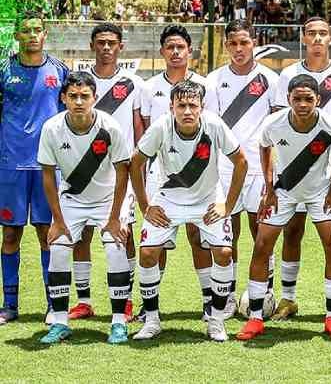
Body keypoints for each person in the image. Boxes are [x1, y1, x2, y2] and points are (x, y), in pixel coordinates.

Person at [130, 80, 248, 341]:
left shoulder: (214, 124)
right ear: (171, 107)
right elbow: (135, 162)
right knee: (148, 253)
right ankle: (151, 320)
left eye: (192, 105)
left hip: (207, 199)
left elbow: (241, 162)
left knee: (225, 252)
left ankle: (216, 320)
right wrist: (145, 206)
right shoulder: (161, 127)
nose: (186, 111)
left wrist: (226, 205)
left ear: (201, 107)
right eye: (181, 105)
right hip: (168, 199)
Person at [235, 76, 331, 341]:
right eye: (297, 98)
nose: (302, 104)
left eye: (308, 98)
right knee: (262, 244)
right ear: (288, 99)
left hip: (320, 192)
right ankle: (255, 318)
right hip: (284, 190)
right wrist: (269, 188)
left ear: (318, 100)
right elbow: (264, 148)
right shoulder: (273, 124)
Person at [36, 72, 131, 344]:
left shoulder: (110, 127)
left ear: (94, 98)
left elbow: (123, 172)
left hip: (109, 198)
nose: (79, 101)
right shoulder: (51, 128)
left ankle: (118, 322)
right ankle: (60, 322)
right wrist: (57, 220)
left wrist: (114, 219)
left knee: (115, 247)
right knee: (57, 247)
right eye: (73, 96)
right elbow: (47, 175)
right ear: (63, 98)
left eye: (84, 96)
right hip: (73, 198)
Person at [271, 16, 331, 320]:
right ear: (304, 38)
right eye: (311, 34)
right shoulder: (288, 74)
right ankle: (288, 299)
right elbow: (278, 122)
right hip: (293, 169)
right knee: (292, 232)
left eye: (323, 34)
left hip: (328, 168)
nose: (317, 38)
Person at [204, 19, 281, 314]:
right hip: (226, 170)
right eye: (233, 43)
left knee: (262, 234)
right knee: (226, 236)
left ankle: (266, 293)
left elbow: (275, 133)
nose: (239, 49)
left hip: (261, 171)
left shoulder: (271, 80)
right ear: (226, 46)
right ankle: (228, 296)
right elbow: (210, 129)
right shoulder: (212, 81)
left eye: (244, 42)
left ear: (254, 42)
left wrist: (272, 177)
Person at [139, 25, 214, 320]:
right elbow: (143, 132)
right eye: (169, 47)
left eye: (180, 47)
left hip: (198, 173)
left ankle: (209, 301)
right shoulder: (149, 87)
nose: (175, 52)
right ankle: (150, 306)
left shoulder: (202, 84)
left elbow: (211, 131)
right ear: (162, 52)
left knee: (198, 235)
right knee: (157, 241)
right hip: (162, 174)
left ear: (189, 51)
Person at [71, 23, 144, 322]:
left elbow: (140, 129)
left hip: (120, 173)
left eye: (111, 43)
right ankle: (84, 301)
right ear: (92, 45)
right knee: (80, 236)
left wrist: (141, 172)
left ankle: (124, 299)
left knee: (123, 234)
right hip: (82, 170)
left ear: (120, 47)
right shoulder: (79, 84)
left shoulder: (133, 83)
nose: (106, 47)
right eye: (100, 42)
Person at [0, 12, 69, 325]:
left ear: (46, 34)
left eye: (37, 30)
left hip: (46, 166)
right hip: (10, 164)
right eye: (25, 30)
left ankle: (53, 305)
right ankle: (9, 305)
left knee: (47, 234)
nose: (31, 35)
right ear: (17, 35)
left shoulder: (59, 71)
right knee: (11, 234)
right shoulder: (4, 69)